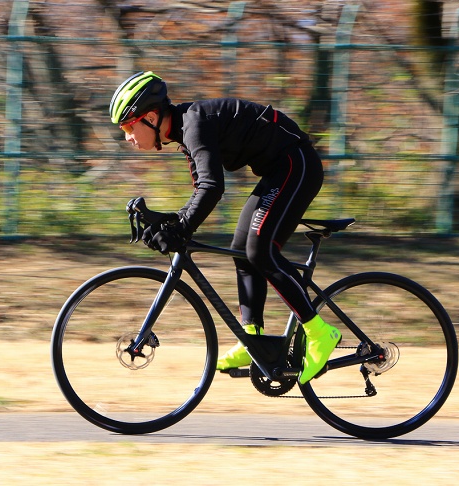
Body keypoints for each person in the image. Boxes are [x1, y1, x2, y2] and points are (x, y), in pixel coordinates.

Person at [109, 71, 340, 384]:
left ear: (149, 118)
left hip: (296, 165)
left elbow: (212, 187)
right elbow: (200, 191)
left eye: (128, 126)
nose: (127, 137)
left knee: (260, 251)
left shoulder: (194, 126)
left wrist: (181, 228)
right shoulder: (185, 131)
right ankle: (253, 340)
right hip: (277, 171)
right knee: (242, 251)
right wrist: (173, 222)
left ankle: (319, 331)